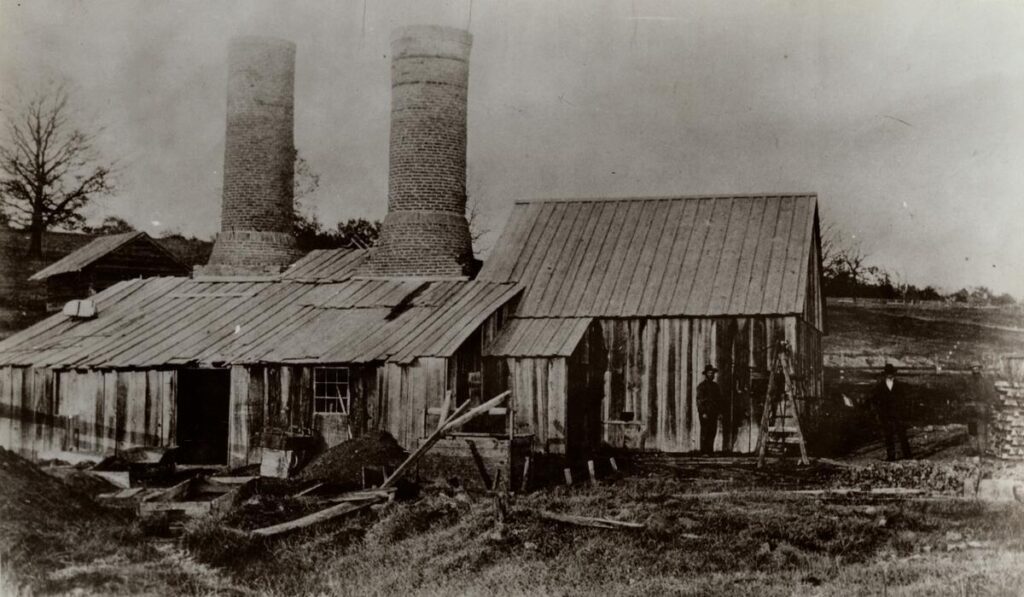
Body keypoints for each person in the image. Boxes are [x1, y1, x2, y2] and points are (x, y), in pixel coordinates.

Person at [868, 363, 913, 461]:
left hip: (898, 414)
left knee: (902, 435)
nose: (889, 375)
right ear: (885, 374)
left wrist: (902, 410)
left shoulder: (899, 386)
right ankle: (891, 457)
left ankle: (908, 456)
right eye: (888, 373)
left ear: (893, 374)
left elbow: (904, 399)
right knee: (888, 435)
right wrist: (880, 410)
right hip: (886, 415)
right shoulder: (880, 386)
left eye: (891, 373)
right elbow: (874, 399)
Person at [968, 363, 994, 456]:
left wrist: (986, 404)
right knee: (971, 429)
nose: (975, 369)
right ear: (971, 369)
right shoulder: (968, 381)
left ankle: (982, 450)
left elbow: (989, 394)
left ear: (979, 369)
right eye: (973, 367)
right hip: (971, 406)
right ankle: (973, 449)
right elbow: (964, 392)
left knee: (981, 428)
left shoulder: (984, 381)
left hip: (981, 406)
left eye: (977, 367)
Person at [696, 364, 722, 454]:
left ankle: (710, 451)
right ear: (706, 374)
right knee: (705, 431)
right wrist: (703, 412)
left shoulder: (716, 387)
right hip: (705, 412)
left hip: (713, 413)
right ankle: (703, 451)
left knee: (712, 431)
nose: (712, 375)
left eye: (713, 373)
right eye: (710, 373)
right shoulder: (701, 387)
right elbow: (699, 401)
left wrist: (719, 412)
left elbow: (719, 401)